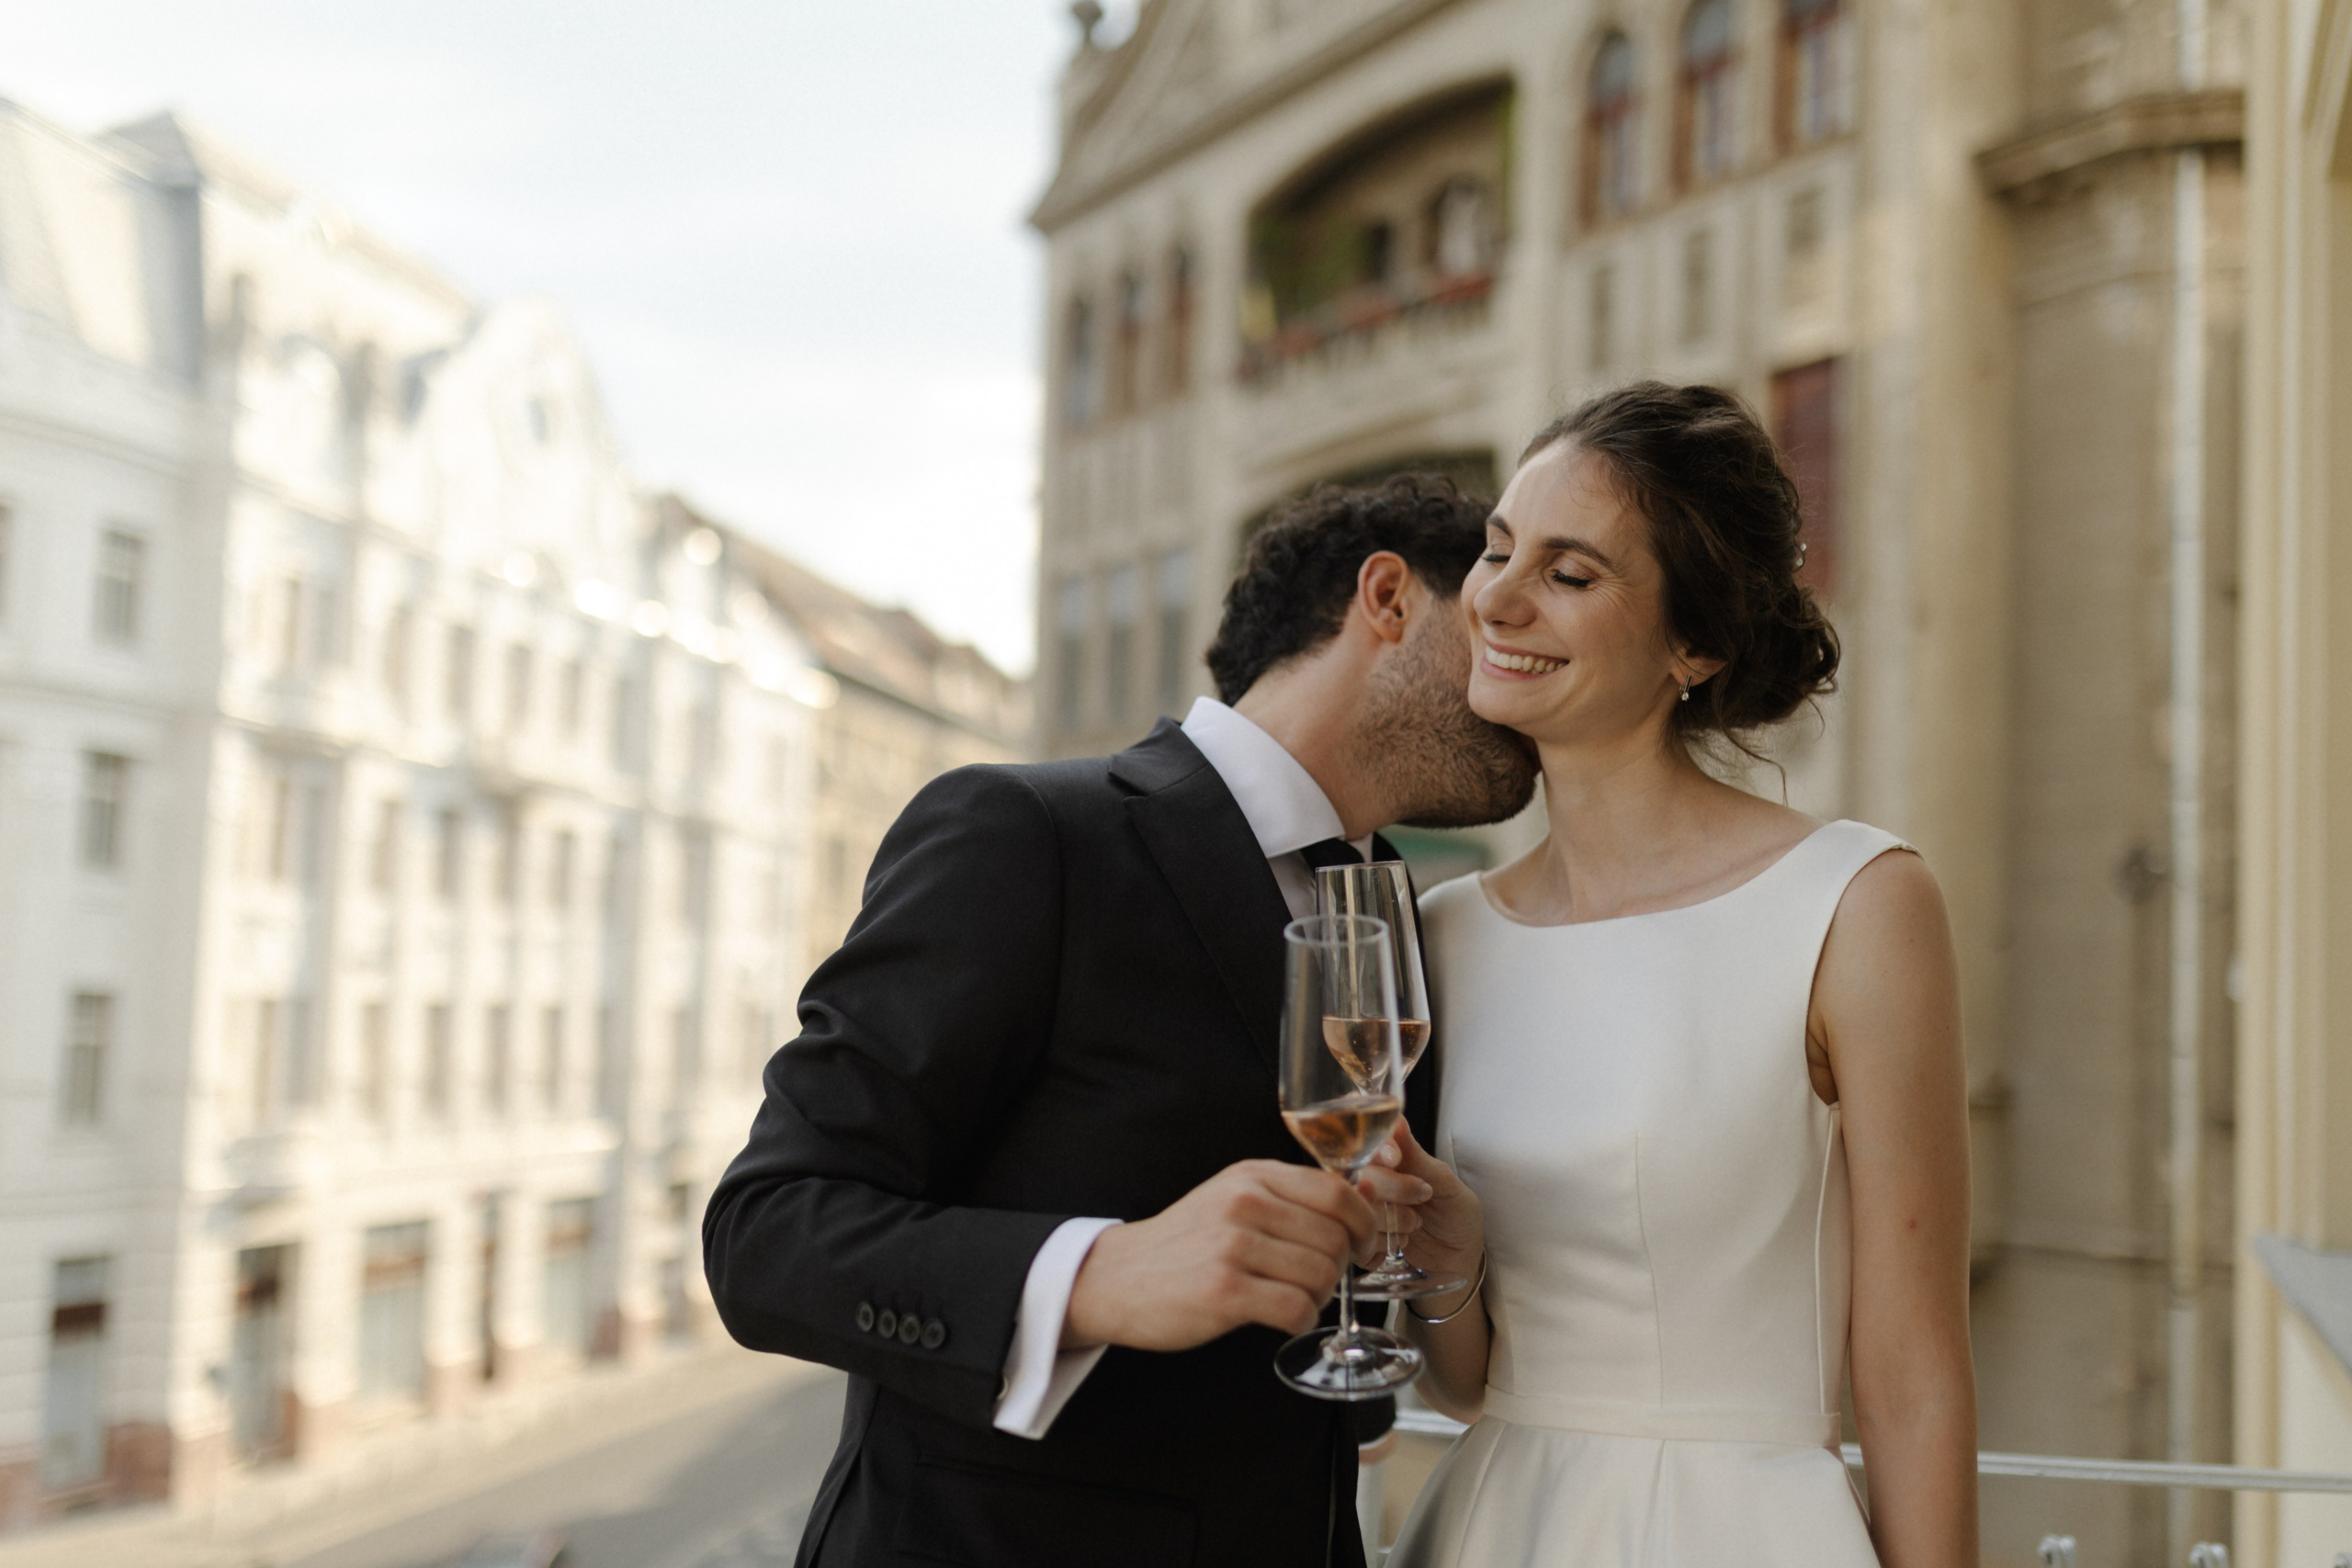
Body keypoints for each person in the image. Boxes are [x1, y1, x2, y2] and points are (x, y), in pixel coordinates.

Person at [702, 474, 1538, 1568]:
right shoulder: (1026, 833)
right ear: (1388, 599)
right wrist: (1098, 1275)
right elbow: (764, 1235)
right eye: (1493, 617)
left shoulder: (1396, 918)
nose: (1518, 676)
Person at [1381, 383, 1979, 1567]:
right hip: (1497, 1524)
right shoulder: (1439, 934)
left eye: (1569, 572)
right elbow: (1468, 1386)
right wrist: (1444, 1266)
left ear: (1692, 645)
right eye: (1498, 550)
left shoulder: (1855, 904)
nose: (1495, 595)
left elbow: (1912, 1378)